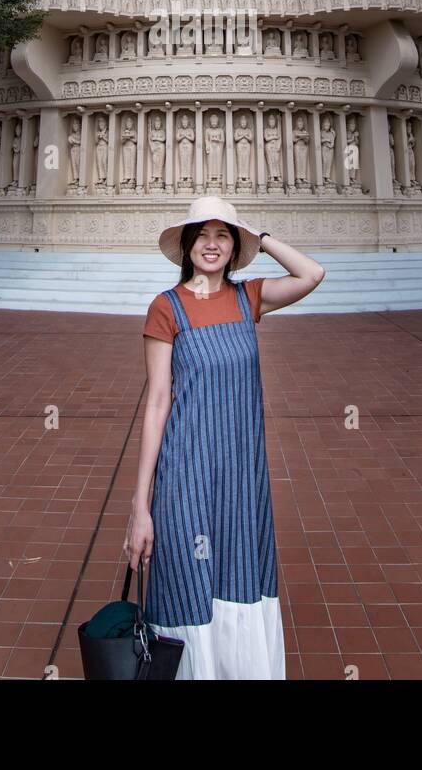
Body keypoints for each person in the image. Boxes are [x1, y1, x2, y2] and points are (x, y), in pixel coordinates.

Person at [125, 195, 325, 679]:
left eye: (223, 236)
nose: (211, 245)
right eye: (203, 235)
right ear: (187, 245)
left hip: (240, 476)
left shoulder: (248, 297)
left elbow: (311, 274)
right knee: (186, 578)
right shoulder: (165, 308)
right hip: (186, 473)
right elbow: (157, 404)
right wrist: (140, 506)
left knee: (239, 575)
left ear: (234, 247)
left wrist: (262, 236)